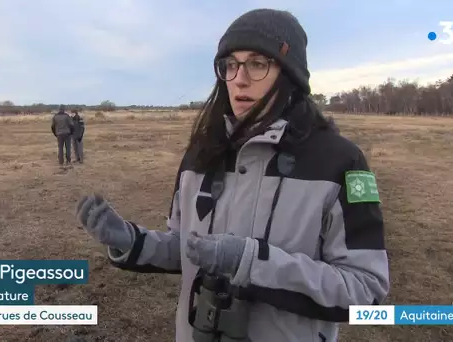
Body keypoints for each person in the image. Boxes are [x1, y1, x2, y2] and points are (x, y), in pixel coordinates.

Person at [75, 8, 389, 342]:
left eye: (257, 63)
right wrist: (133, 242)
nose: (239, 78)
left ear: (291, 75)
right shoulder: (201, 153)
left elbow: (365, 290)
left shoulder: (338, 161)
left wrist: (252, 263)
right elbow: (188, 247)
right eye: (231, 64)